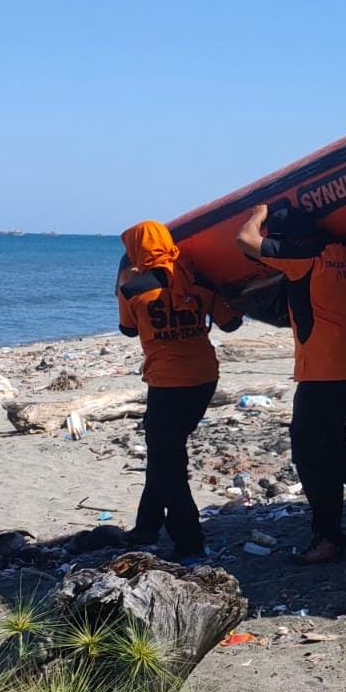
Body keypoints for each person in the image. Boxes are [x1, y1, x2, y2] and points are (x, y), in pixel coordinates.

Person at [237, 205, 346, 565]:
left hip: (322, 372)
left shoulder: (302, 258)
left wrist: (257, 212)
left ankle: (330, 537)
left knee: (309, 455)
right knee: (328, 444)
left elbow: (246, 241)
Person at [116, 220, 242, 561]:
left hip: (167, 383)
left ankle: (190, 541)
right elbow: (232, 323)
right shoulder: (196, 279)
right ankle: (147, 526)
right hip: (204, 378)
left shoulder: (133, 289)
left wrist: (121, 279)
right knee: (166, 453)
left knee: (166, 460)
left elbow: (128, 330)